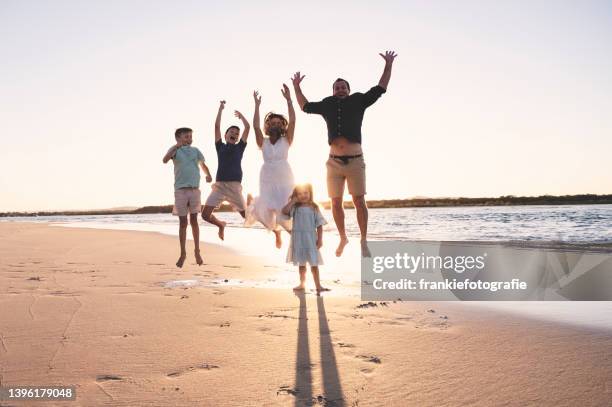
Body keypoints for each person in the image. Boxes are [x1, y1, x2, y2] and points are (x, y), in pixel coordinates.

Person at [292, 50, 397, 258]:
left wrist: (388, 64)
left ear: (348, 90)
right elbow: (305, 106)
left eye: (343, 87)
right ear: (333, 91)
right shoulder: (327, 104)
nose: (340, 89)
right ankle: (342, 237)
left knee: (359, 200)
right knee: (335, 202)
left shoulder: (359, 100)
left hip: (356, 161)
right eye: (337, 87)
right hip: (334, 163)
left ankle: (364, 240)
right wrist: (297, 87)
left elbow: (381, 88)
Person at [244, 85, 296, 248]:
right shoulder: (263, 141)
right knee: (268, 209)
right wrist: (257, 106)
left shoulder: (287, 139)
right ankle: (277, 233)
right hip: (267, 176)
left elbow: (293, 120)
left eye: (278, 122)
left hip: (284, 176)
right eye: (272, 122)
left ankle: (294, 236)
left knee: (284, 208)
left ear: (282, 126)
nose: (275, 124)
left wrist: (289, 100)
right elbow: (256, 126)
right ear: (268, 125)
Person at [162, 127, 212, 268]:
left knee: (194, 221)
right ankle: (183, 253)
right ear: (178, 138)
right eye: (186, 137)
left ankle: (197, 251)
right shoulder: (175, 151)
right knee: (183, 223)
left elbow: (203, 165)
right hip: (180, 191)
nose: (189, 139)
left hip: (195, 190)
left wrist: (208, 174)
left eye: (190, 136)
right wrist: (175, 147)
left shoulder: (196, 151)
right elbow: (165, 160)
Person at [202, 100, 249, 240]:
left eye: (237, 133)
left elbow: (248, 127)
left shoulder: (240, 147)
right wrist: (220, 109)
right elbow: (216, 126)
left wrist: (242, 117)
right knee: (204, 215)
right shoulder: (220, 147)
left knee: (247, 217)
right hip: (219, 187)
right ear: (225, 135)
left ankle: (274, 229)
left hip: (234, 187)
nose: (234, 133)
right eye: (231, 132)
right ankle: (220, 225)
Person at [282, 183, 329, 294]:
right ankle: (302, 284)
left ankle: (318, 285)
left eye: (305, 193)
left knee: (314, 263)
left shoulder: (314, 208)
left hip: (311, 239)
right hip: (298, 239)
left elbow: (319, 224)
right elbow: (284, 211)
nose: (303, 195)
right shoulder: (295, 207)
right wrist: (293, 201)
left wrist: (320, 239)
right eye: (300, 194)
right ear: (296, 195)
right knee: (301, 264)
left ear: (310, 193)